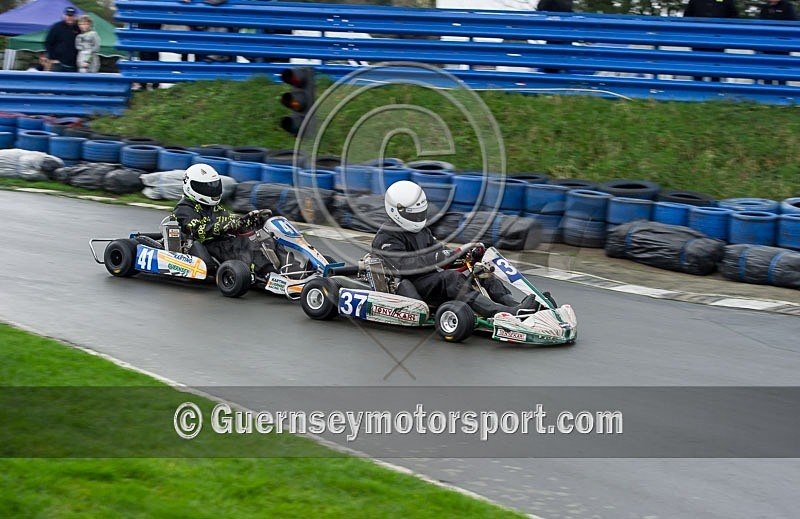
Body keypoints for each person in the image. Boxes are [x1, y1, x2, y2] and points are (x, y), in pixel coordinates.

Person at [371, 180, 545, 318]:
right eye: (413, 215)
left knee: (482, 272)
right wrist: (443, 256)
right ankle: (498, 313)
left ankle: (515, 307)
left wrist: (466, 255)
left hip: (432, 280)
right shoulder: (387, 236)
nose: (418, 218)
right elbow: (405, 266)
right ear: (396, 210)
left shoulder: (422, 231)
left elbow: (441, 253)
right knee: (451, 278)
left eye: (420, 213)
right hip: (409, 286)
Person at [172, 163, 271, 272]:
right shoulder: (184, 209)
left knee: (259, 241)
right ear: (191, 186)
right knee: (241, 249)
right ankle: (266, 271)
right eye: (206, 186)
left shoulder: (212, 207)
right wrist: (226, 225)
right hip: (204, 246)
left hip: (222, 242)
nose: (211, 190)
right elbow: (199, 231)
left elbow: (229, 220)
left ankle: (286, 267)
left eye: (214, 185)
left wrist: (248, 220)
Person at [683, 0, 738, 81]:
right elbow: (687, 16)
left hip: (718, 38)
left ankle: (714, 87)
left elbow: (733, 17)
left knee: (716, 65)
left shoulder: (726, 1)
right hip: (699, 38)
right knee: (698, 65)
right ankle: (697, 86)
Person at [537, 0, 575, 74]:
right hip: (564, 30)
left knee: (553, 54)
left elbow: (541, 7)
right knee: (561, 54)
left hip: (554, 30)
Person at [45, 7, 80, 72]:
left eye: (72, 16)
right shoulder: (57, 27)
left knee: (73, 82)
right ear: (64, 16)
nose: (70, 17)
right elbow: (48, 42)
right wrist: (52, 58)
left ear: (75, 16)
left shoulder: (79, 28)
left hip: (74, 65)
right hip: (58, 63)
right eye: (68, 15)